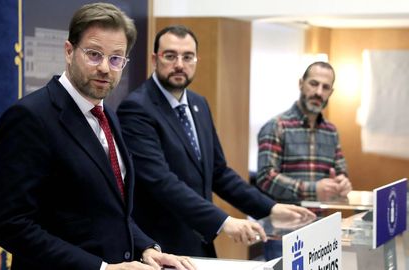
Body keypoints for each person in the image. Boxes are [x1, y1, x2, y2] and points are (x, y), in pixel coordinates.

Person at [0, 4, 194, 270]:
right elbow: (12, 226)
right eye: (94, 54)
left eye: (116, 58)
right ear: (69, 51)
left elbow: (110, 212)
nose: (105, 68)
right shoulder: (30, 117)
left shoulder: (107, 115)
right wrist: (102, 268)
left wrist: (145, 247)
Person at [116, 25, 315, 258]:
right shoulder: (136, 109)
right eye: (170, 56)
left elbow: (219, 173)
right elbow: (162, 182)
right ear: (154, 59)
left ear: (196, 60)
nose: (179, 64)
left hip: (200, 241)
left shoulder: (198, 104)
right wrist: (223, 221)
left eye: (187, 57)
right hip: (160, 246)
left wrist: (270, 208)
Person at [256, 61, 352, 259]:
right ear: (301, 84)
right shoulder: (276, 126)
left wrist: (342, 183)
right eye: (313, 84)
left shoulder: (331, 131)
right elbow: (266, 178)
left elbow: (341, 171)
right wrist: (312, 189)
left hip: (320, 229)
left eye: (325, 87)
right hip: (282, 232)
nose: (318, 92)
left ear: (330, 93)